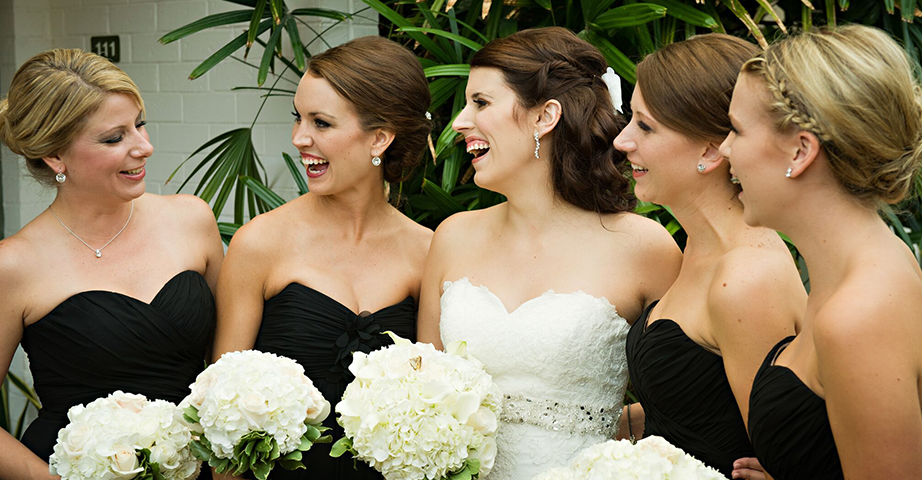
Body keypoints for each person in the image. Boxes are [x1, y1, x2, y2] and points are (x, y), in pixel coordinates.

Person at [417, 27, 682, 479]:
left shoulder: (644, 247)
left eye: (480, 103)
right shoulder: (452, 237)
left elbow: (686, 405)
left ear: (546, 116)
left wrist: (597, 433)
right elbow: (419, 391)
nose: (459, 122)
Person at [211, 36, 433, 479]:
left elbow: (432, 403)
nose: (299, 139)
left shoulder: (427, 251)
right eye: (298, 118)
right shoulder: (259, 244)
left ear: (380, 138)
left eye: (322, 123)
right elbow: (220, 418)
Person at [0, 49, 223, 480]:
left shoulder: (192, 219)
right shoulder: (14, 265)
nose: (145, 147)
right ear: (55, 157)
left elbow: (230, 361)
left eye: (139, 124)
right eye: (114, 137)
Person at [721, 24, 922, 479]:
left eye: (735, 130)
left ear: (800, 150)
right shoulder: (859, 268)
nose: (724, 149)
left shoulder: (858, 315)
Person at [612, 34, 806, 478]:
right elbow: (702, 408)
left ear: (710, 150)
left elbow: (776, 451)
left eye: (645, 126)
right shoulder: (702, 247)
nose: (623, 141)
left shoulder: (744, 277)